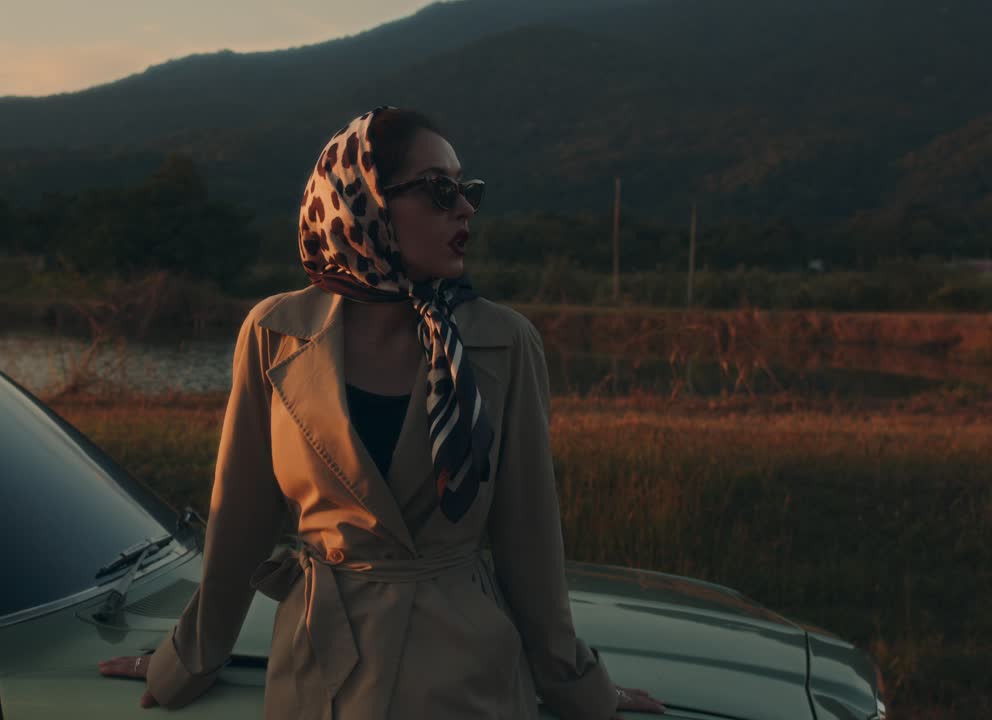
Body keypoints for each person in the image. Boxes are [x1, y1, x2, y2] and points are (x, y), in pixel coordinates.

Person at [98, 107, 665, 719]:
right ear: (362, 201)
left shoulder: (503, 341)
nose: (465, 209)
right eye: (440, 190)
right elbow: (240, 522)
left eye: (466, 191)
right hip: (319, 671)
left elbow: (530, 540)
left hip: (466, 678)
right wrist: (185, 662)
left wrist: (579, 689)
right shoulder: (275, 332)